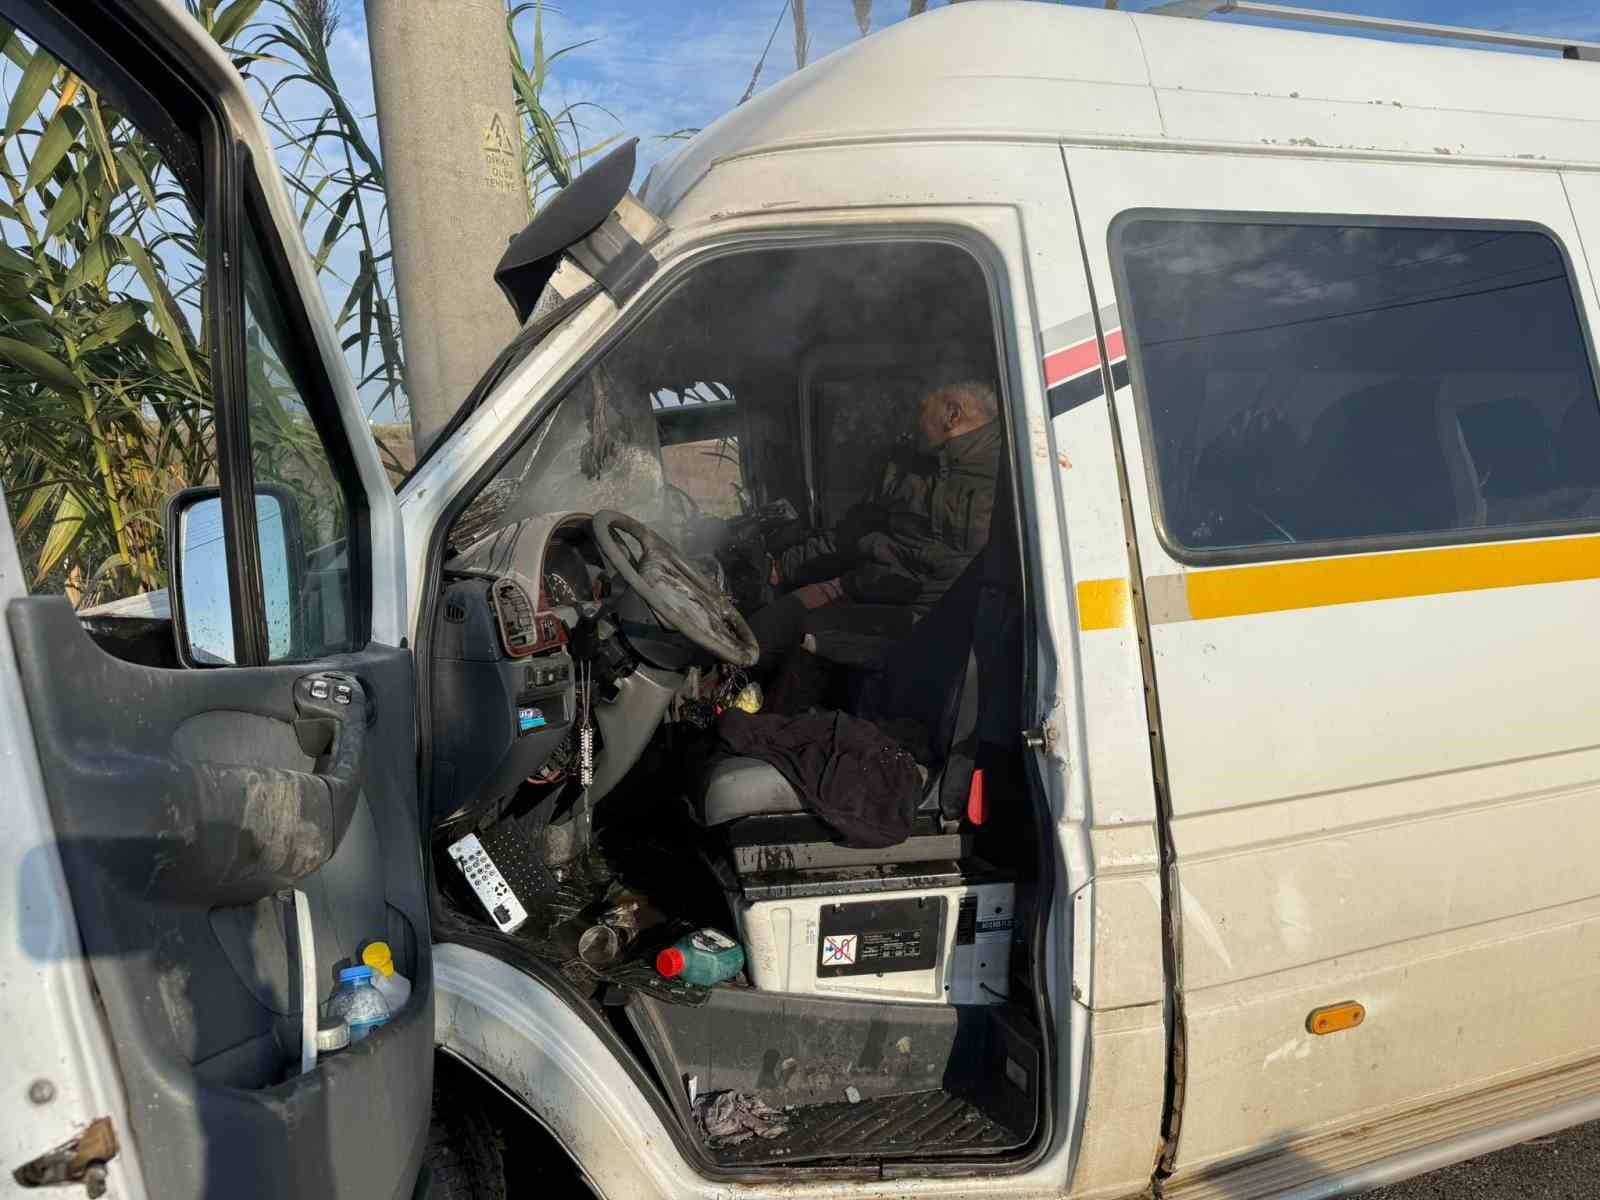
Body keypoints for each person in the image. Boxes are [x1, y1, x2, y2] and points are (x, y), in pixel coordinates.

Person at [747, 378, 1002, 674]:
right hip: (864, 584)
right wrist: (782, 568)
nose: (914, 421)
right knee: (764, 629)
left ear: (952, 415)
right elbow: (850, 534)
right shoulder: (904, 464)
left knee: (810, 643)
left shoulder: (1010, 473)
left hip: (931, 614)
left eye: (922, 409)